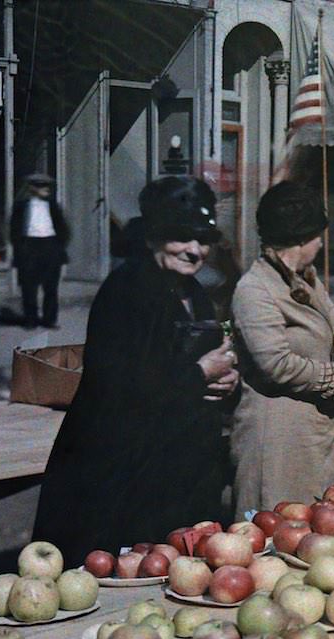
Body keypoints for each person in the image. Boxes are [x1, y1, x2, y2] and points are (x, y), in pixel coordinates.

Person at [33, 176, 238, 559]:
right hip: (122, 477)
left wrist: (226, 382)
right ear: (152, 237)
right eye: (182, 237)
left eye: (204, 239)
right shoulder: (126, 292)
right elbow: (118, 387)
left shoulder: (194, 292)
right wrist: (200, 374)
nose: (195, 251)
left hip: (178, 476)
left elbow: (202, 371)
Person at [230, 182, 334, 511]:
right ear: (301, 239)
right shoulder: (255, 289)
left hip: (316, 432)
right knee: (278, 532)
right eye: (318, 235)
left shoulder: (308, 281)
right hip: (277, 439)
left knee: (323, 530)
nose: (321, 243)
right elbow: (276, 364)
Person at [9, 173, 69, 329]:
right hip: (30, 246)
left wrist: (59, 246)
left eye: (47, 186)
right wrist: (20, 247)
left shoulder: (52, 205)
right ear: (32, 188)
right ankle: (31, 319)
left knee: (51, 286)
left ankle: (49, 320)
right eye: (42, 186)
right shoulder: (22, 206)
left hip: (50, 244)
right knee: (29, 286)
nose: (47, 189)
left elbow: (62, 227)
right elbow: (14, 230)